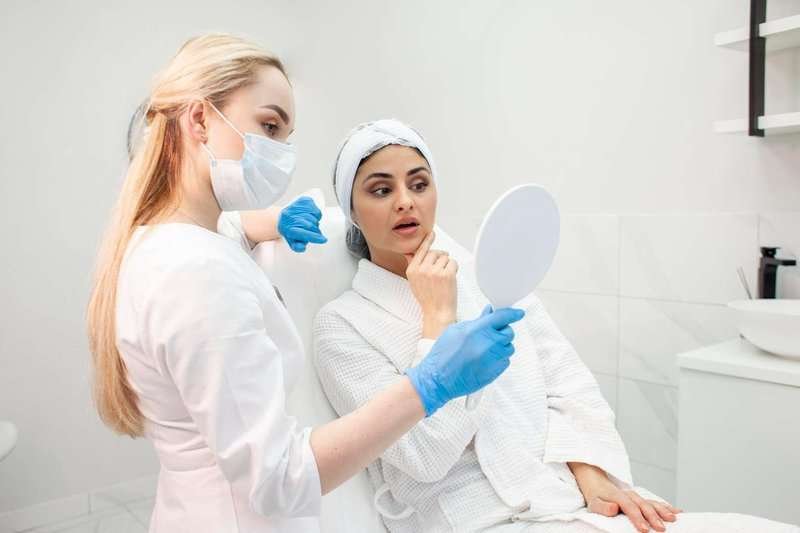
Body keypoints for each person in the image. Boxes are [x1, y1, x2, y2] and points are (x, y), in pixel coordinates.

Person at [86, 34, 524, 533]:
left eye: (285, 137)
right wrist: (429, 383)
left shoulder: (166, 242)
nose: (280, 155)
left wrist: (271, 221)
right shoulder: (198, 273)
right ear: (200, 119)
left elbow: (230, 230)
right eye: (269, 126)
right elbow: (278, 479)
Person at [312, 119, 800, 533]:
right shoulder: (343, 327)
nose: (406, 202)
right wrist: (438, 321)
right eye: (381, 190)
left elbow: (564, 378)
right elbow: (425, 455)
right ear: (351, 210)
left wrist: (591, 472)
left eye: (419, 184)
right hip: (474, 521)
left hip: (563, 495)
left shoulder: (487, 278)